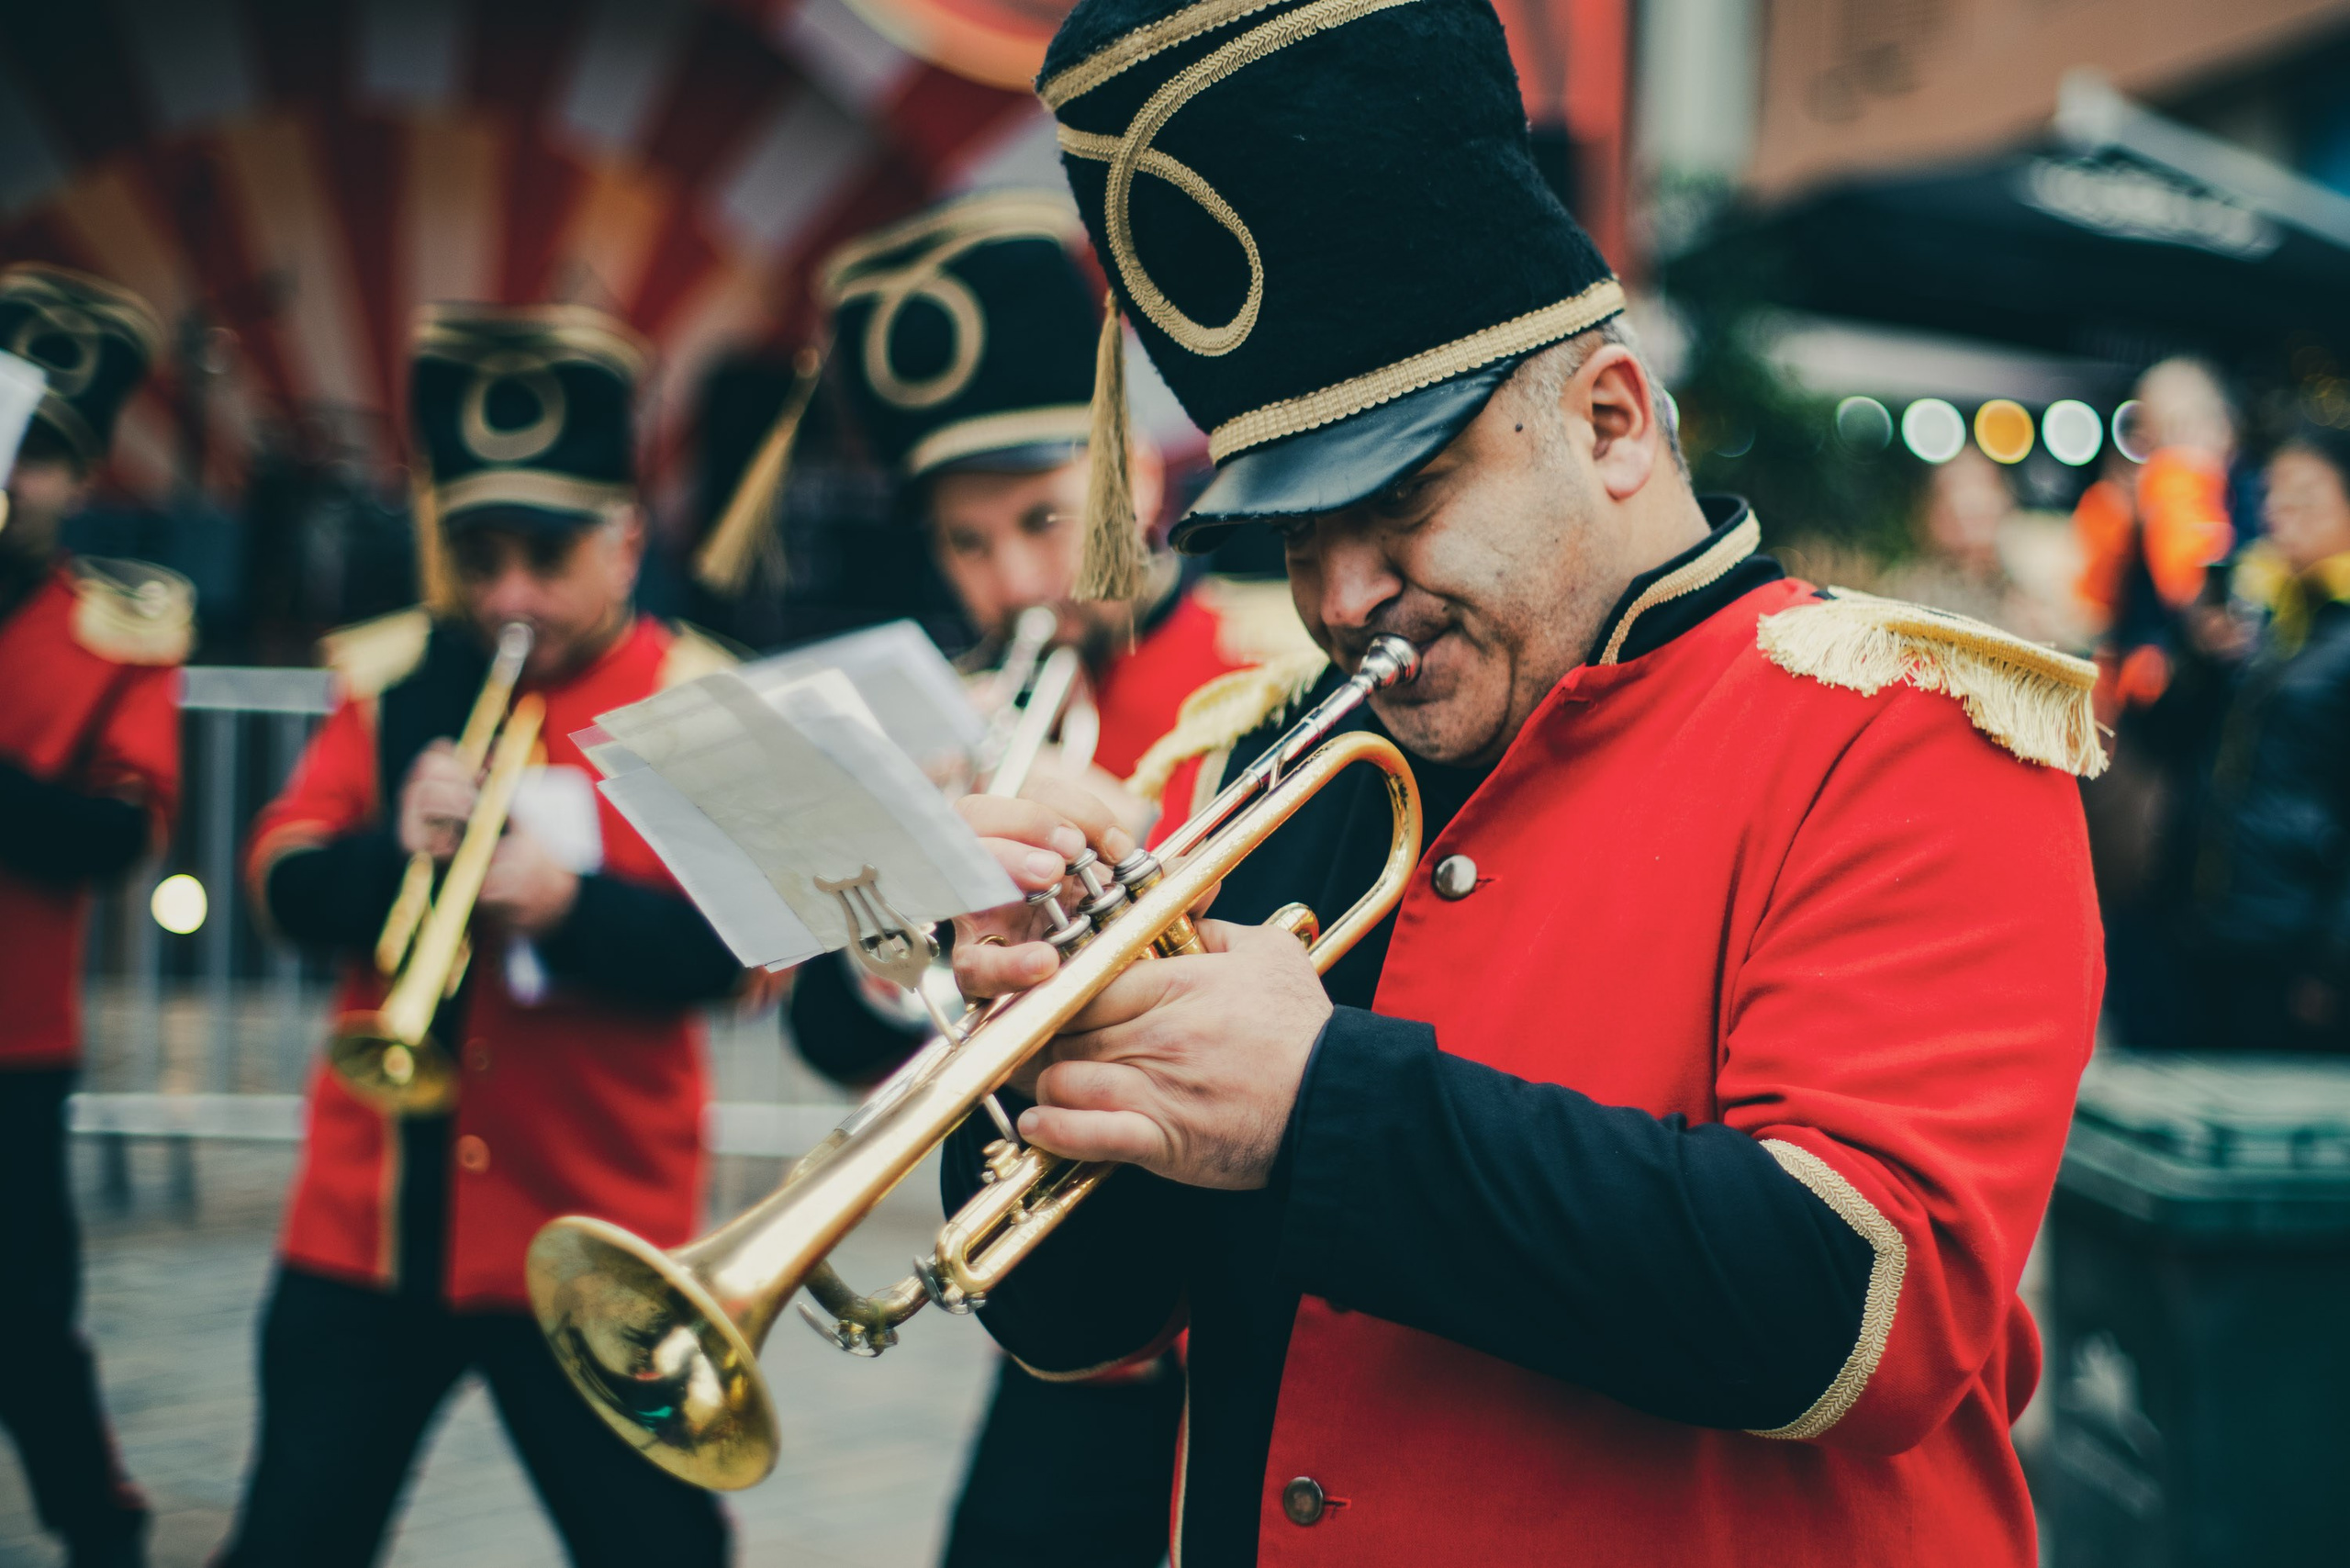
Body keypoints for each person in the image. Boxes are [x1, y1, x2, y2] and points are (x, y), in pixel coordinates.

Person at [930, 1, 2109, 1562]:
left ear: (1611, 421)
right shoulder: (1251, 761)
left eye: (1404, 495)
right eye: (1294, 536)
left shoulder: (1907, 732)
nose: (1342, 593)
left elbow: (1861, 1315)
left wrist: (1314, 1103)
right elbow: (1078, 1323)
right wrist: (1034, 1050)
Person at [218, 304, 744, 1568]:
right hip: (370, 1227)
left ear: (626, 540)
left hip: (596, 1237)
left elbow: (735, 959)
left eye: (549, 554)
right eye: (478, 552)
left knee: (658, 1550)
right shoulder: (395, 679)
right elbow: (279, 876)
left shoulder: (697, 701)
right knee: (292, 1537)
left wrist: (566, 906)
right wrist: (392, 849)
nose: (509, 594)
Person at [781, 191, 1226, 1568]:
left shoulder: (1263, 687)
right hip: (1058, 1316)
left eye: (1043, 520)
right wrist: (886, 919)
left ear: (1135, 481)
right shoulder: (949, 721)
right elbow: (835, 1040)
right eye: (967, 546)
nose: (1015, 581)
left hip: (1234, 1330)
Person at [0, 266, 182, 1568]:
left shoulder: (116, 634)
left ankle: (94, 1525)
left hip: (14, 1036)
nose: (18, 481)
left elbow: (111, 836)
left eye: (46, 459)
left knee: (21, 1314)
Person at [2181, 427, 2350, 1051]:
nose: (2283, 512)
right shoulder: (2269, 619)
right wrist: (2201, 657)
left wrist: (2335, 960)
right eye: (2275, 494)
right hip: (2220, 917)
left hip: (2296, 939)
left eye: (2307, 496)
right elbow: (2178, 744)